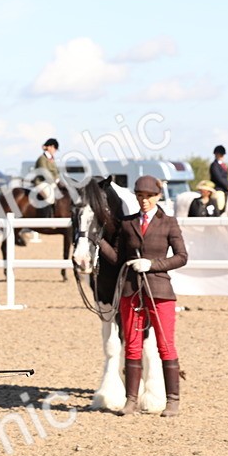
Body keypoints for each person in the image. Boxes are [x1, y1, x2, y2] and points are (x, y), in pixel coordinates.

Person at [96, 175, 188, 418]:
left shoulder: (169, 223)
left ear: (157, 196)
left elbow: (181, 257)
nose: (144, 201)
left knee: (165, 344)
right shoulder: (127, 224)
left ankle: (172, 401)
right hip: (130, 290)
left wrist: (152, 264)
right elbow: (117, 258)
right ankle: (131, 400)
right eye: (140, 196)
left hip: (159, 291)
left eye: (149, 196)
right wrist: (100, 241)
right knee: (133, 346)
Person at [31, 138, 61, 214]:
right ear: (49, 147)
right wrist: (55, 181)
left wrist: (58, 180)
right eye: (54, 148)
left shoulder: (52, 159)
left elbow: (56, 172)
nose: (55, 150)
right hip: (41, 182)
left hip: (52, 182)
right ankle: (47, 216)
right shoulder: (42, 159)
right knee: (50, 196)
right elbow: (44, 173)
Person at [209, 146, 228, 213]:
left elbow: (225, 178)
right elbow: (219, 178)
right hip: (218, 188)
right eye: (220, 155)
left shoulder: (223, 165)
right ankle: (218, 213)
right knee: (220, 202)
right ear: (216, 154)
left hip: (225, 188)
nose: (221, 156)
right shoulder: (214, 165)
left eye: (222, 155)